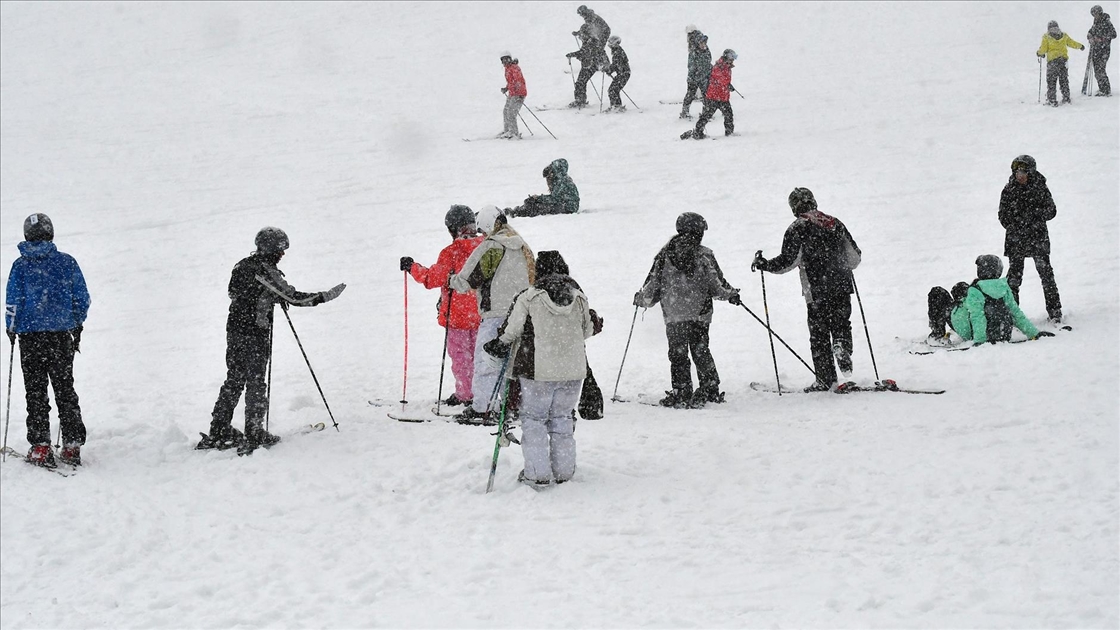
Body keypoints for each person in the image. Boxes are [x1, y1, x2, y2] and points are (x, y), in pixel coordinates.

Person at [198, 228, 346, 452]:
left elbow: (234, 293)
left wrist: (265, 297)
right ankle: (254, 432)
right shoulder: (264, 271)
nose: (283, 254)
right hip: (254, 333)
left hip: (235, 331)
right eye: (280, 249)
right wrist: (324, 296)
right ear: (270, 249)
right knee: (256, 382)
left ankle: (219, 429)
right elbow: (293, 297)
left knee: (234, 379)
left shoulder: (242, 265)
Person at [483, 251, 599, 485]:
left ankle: (537, 474)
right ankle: (564, 471)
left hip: (537, 369)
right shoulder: (578, 297)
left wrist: (499, 344)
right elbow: (587, 330)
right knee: (562, 418)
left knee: (534, 419)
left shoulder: (529, 296)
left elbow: (511, 331)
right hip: (573, 370)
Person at [752, 188, 862, 392]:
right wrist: (842, 265)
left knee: (819, 336)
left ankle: (825, 379)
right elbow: (854, 256)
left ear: (794, 207)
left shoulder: (797, 228)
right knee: (841, 323)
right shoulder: (834, 223)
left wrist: (765, 265)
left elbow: (788, 261)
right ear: (813, 201)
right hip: (841, 285)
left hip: (816, 290)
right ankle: (841, 345)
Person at [4, 214, 90, 468]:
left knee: (36, 390)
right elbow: (81, 297)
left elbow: (13, 301)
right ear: (51, 233)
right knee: (65, 388)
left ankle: (41, 446)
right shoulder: (66, 263)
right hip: (61, 335)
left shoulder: (20, 266)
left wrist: (11, 327)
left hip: (30, 338)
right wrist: (75, 322)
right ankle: (72, 446)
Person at [634, 212, 741, 408]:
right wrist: (731, 294)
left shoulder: (664, 255)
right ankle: (709, 388)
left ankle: (681, 391)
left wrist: (641, 299)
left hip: (674, 315)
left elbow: (652, 287)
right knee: (701, 350)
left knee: (678, 354)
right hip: (700, 314)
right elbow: (717, 286)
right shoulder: (705, 255)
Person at [449, 206, 535, 425]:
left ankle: (483, 409)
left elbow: (468, 278)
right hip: (521, 313)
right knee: (512, 363)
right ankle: (511, 405)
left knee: (486, 361)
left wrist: (451, 280)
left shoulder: (492, 246)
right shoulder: (521, 244)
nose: (481, 235)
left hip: (495, 313)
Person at [400, 205, 485, 408]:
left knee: (461, 358)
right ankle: (483, 393)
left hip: (457, 316)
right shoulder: (485, 246)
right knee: (481, 357)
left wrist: (412, 267)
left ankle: (465, 394)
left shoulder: (452, 252)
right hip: (483, 314)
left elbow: (432, 278)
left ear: (452, 229)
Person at [927, 255, 1053, 345]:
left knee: (937, 293)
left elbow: (978, 316)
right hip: (1002, 332)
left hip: (966, 328)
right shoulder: (1004, 287)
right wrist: (1034, 333)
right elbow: (1016, 313)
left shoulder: (975, 290)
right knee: (961, 286)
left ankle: (937, 335)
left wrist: (979, 341)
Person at [998, 154, 1063, 323]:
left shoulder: (1040, 187)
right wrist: (1016, 224)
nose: (1020, 176)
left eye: (1023, 172)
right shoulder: (1008, 189)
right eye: (1017, 172)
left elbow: (1051, 210)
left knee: (1046, 274)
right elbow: (1002, 216)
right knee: (1014, 278)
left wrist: (1033, 217)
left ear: (1031, 172)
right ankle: (1012, 315)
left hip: (1037, 237)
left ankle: (1055, 311)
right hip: (1016, 240)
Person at [681, 49, 736, 140]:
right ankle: (698, 132)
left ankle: (729, 132)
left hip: (723, 97)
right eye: (731, 58)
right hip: (713, 97)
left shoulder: (727, 67)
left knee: (729, 115)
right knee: (706, 116)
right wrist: (727, 85)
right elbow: (719, 79)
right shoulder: (718, 66)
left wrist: (728, 85)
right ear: (726, 57)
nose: (732, 60)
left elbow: (724, 80)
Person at [507, 158, 580, 217]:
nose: (550, 174)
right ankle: (519, 211)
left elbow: (554, 199)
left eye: (552, 171)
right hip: (567, 206)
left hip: (567, 208)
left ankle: (518, 212)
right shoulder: (562, 180)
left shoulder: (562, 181)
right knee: (538, 204)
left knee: (538, 207)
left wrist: (538, 198)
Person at [1038, 20, 1086, 106]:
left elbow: (1043, 49)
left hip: (1052, 62)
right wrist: (1080, 46)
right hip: (1063, 61)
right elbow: (1072, 43)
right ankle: (1066, 98)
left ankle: (1052, 100)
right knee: (1064, 80)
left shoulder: (1046, 36)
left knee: (1051, 82)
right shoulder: (1064, 35)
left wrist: (1039, 53)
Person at [566, 24, 605, 108]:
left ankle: (580, 101)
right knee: (581, 82)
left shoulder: (591, 42)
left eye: (582, 34)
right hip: (588, 64)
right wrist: (577, 33)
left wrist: (572, 54)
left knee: (580, 82)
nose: (581, 36)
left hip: (591, 65)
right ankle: (580, 100)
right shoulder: (590, 40)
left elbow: (584, 52)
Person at [681, 28, 711, 120]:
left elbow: (708, 61)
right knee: (690, 95)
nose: (703, 45)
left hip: (704, 77)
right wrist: (696, 75)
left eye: (704, 43)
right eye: (701, 43)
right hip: (693, 79)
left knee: (707, 96)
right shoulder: (693, 53)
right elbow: (691, 67)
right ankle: (684, 112)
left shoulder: (706, 51)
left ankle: (706, 113)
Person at [1087, 5, 1116, 96]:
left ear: (1100, 12)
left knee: (1101, 70)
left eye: (1095, 13)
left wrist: (1101, 39)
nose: (1094, 15)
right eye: (1093, 14)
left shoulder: (1106, 22)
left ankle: (1106, 90)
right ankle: (1102, 88)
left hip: (1104, 50)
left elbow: (1114, 34)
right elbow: (1091, 31)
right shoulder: (1096, 22)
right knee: (1097, 69)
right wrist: (1090, 36)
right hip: (1096, 50)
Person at [499, 53, 527, 139]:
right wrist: (506, 88)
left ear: (509, 59)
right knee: (506, 111)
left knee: (511, 113)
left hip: (518, 94)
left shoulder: (515, 68)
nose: (504, 62)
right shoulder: (507, 69)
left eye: (506, 60)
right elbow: (511, 81)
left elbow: (518, 80)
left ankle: (514, 133)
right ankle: (507, 130)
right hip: (512, 93)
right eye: (503, 60)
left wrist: (516, 89)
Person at [605, 35, 630, 112]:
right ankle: (616, 106)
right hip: (622, 73)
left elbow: (616, 64)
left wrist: (609, 70)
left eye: (610, 43)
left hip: (623, 74)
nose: (609, 45)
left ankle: (616, 107)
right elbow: (616, 65)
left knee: (613, 90)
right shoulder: (616, 51)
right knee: (613, 90)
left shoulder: (618, 52)